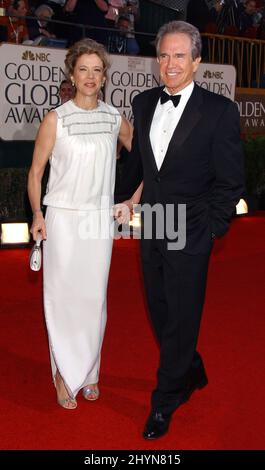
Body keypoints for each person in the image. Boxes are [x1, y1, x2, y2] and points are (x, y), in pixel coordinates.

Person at [120, 20, 245, 439]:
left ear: (196, 61)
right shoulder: (141, 102)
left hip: (191, 230)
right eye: (164, 56)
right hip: (151, 224)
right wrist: (114, 199)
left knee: (182, 314)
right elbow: (138, 167)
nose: (169, 64)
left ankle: (166, 396)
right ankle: (189, 366)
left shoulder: (219, 111)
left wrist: (210, 229)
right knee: (160, 310)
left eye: (179, 56)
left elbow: (230, 183)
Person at [27, 38, 133, 409]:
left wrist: (133, 200)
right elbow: (36, 173)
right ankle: (62, 373)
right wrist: (38, 215)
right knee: (62, 299)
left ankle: (89, 371)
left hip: (98, 222)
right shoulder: (56, 118)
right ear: (72, 74)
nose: (90, 76)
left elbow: (149, 161)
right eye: (83, 69)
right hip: (62, 219)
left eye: (97, 70)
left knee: (93, 299)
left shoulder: (113, 117)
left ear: (104, 77)